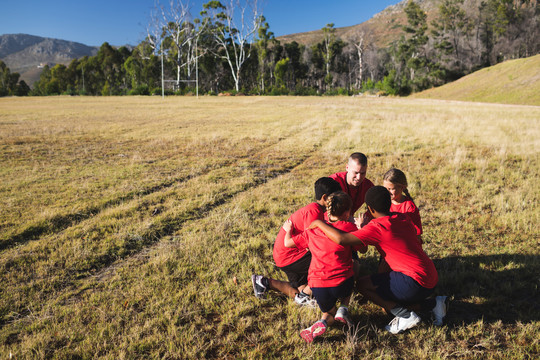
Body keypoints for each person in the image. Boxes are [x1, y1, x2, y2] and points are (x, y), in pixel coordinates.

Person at [309, 186, 449, 334]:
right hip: (430, 276)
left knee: (363, 285)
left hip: (415, 282)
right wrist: (364, 227)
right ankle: (434, 304)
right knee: (386, 303)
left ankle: (406, 316)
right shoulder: (402, 217)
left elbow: (341, 239)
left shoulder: (377, 228)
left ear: (370, 209)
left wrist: (319, 223)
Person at [283, 191, 367, 343]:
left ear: (327, 211)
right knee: (354, 266)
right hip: (341, 282)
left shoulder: (312, 230)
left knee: (328, 312)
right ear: (347, 213)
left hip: (317, 286)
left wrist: (288, 231)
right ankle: (344, 307)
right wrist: (360, 229)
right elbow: (363, 249)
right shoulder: (349, 227)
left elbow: (287, 243)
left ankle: (320, 324)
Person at [251, 177, 342, 306]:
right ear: (325, 197)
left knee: (300, 292)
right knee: (329, 262)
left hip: (284, 255)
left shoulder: (314, 209)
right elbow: (314, 243)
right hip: (290, 255)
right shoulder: (314, 212)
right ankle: (310, 292)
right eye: (335, 198)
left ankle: (264, 282)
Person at [383, 168, 422, 242]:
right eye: (385, 188)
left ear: (402, 187)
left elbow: (417, 235)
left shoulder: (409, 207)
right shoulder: (383, 202)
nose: (387, 192)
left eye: (391, 189)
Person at [330, 152, 374, 217]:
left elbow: (377, 208)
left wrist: (365, 218)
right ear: (347, 167)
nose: (359, 177)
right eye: (356, 173)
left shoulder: (368, 186)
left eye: (362, 173)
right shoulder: (333, 182)